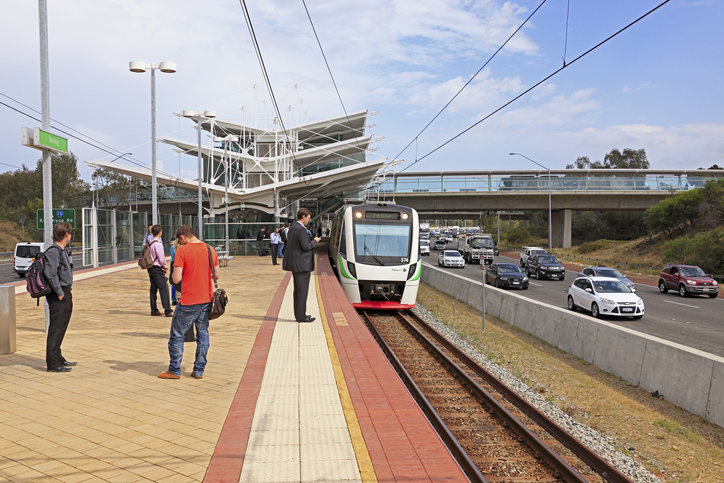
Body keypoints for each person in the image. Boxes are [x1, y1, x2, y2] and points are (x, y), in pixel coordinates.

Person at [159, 225, 220, 380]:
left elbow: (176, 279)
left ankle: (174, 370)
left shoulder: (182, 251)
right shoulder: (209, 249)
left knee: (177, 335)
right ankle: (199, 370)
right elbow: (216, 275)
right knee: (203, 334)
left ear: (182, 238)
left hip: (189, 300)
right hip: (206, 299)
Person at [44, 222, 76, 373]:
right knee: (56, 329)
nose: (70, 235)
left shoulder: (63, 250)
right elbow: (50, 274)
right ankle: (52, 364)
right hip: (59, 295)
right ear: (66, 235)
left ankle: (58, 356)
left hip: (65, 292)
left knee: (62, 327)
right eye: (70, 232)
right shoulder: (54, 251)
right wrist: (60, 292)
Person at [283, 208, 321, 323]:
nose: (308, 221)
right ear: (303, 216)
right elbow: (306, 246)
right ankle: (301, 316)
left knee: (298, 291)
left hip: (297, 265)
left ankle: (299, 314)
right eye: (308, 218)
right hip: (302, 265)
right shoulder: (300, 229)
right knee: (302, 291)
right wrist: (315, 241)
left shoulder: (293, 228)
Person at [147, 225, 173, 317]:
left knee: (153, 289)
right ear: (160, 233)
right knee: (163, 289)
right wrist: (165, 267)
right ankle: (168, 310)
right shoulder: (157, 244)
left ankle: (154, 309)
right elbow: (161, 258)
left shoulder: (150, 242)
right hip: (157, 268)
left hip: (150, 267)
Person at [169, 238, 181, 305]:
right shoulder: (176, 248)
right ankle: (177, 298)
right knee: (178, 282)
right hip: (176, 263)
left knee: (173, 283)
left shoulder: (171, 247)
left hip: (172, 263)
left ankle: (173, 299)